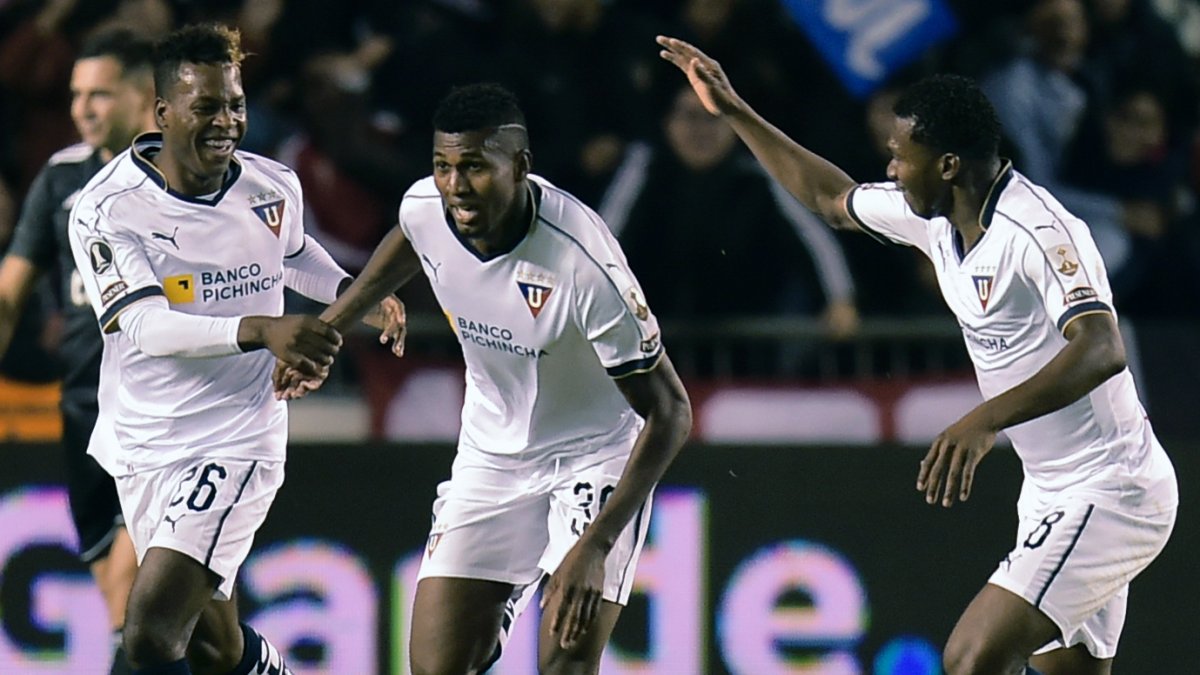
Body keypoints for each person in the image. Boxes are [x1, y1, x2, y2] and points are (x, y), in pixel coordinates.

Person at [657, 36, 1177, 675]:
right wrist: (736, 110)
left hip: (1113, 487)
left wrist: (983, 419)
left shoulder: (1041, 231)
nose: (893, 169)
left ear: (948, 165)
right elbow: (830, 200)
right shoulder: (933, 218)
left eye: (902, 156)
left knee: (969, 657)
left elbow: (1101, 346)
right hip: (1049, 490)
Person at [277, 83, 693, 674]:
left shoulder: (582, 264)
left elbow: (671, 412)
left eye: (474, 167)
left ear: (520, 166)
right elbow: (413, 236)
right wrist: (331, 326)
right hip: (492, 455)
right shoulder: (428, 207)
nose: (455, 186)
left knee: (565, 663)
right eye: (443, 166)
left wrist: (595, 546)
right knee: (435, 666)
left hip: (593, 456)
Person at [67, 24, 401, 675]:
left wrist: (352, 291)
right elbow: (144, 325)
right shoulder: (107, 208)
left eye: (236, 104)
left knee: (149, 632)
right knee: (212, 644)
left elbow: (293, 252)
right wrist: (262, 328)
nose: (227, 122)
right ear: (163, 113)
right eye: (207, 107)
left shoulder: (271, 186)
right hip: (144, 440)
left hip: (237, 438)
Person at [0, 27, 157, 674]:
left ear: (144, 96)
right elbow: (10, 292)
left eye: (100, 94)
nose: (83, 108)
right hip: (85, 409)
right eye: (76, 94)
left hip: (163, 411)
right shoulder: (63, 177)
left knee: (131, 593)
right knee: (156, 619)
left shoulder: (183, 178)